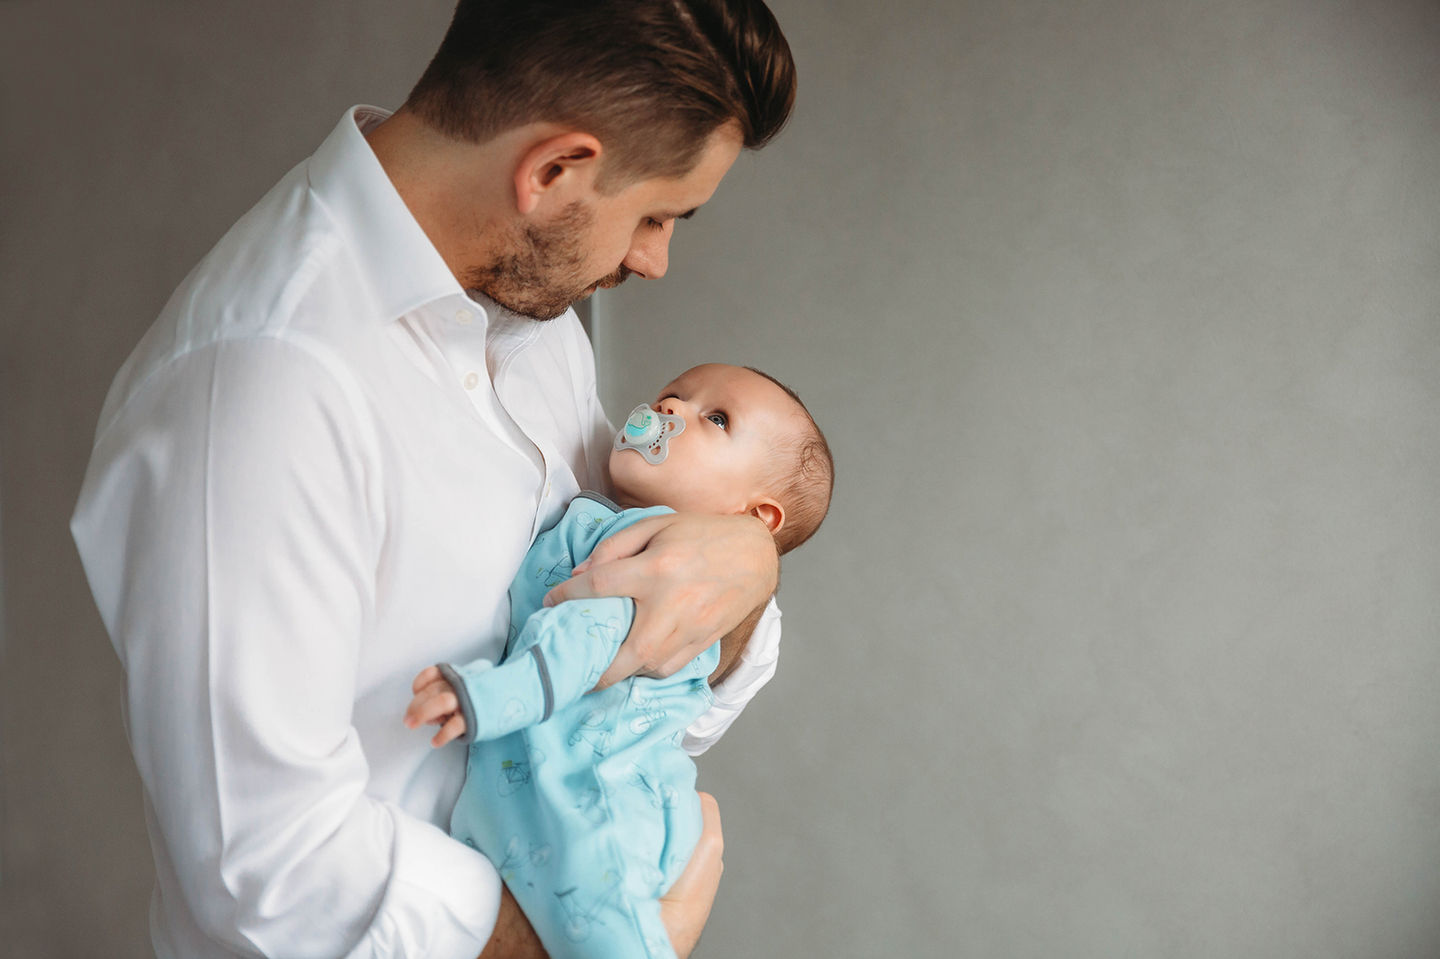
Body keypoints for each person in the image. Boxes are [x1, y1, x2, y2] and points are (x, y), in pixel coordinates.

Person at [68, 2, 796, 957]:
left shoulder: (533, 327)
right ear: (554, 170)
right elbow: (266, 866)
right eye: (655, 214)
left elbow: (617, 635)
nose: (652, 260)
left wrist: (749, 562)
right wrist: (578, 942)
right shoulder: (262, 382)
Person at [404, 363, 834, 959]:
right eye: (671, 396)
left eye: (715, 418)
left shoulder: (661, 554)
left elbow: (589, 633)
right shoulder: (601, 518)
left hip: (600, 795)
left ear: (755, 520)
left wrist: (487, 695)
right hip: (531, 784)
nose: (669, 412)